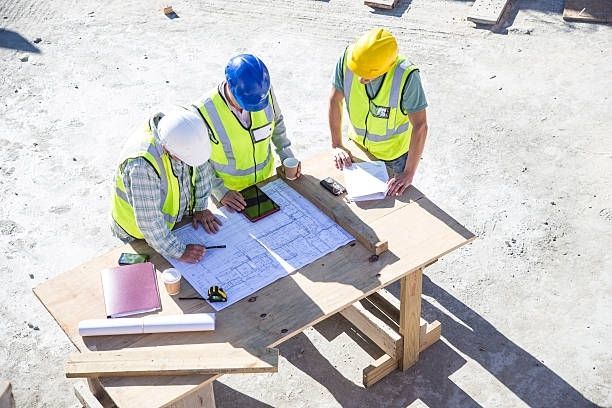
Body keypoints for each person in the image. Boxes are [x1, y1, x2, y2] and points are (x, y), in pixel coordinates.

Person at [110, 109, 222, 263]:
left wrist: (200, 208)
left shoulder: (188, 131)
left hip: (171, 225)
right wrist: (179, 251)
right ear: (167, 149)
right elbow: (149, 222)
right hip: (137, 235)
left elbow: (202, 169)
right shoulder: (142, 165)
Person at [328, 28, 429, 196]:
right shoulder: (348, 58)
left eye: (367, 76)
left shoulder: (407, 77)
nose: (360, 79)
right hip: (358, 147)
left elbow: (421, 126)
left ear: (386, 68)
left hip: (394, 158)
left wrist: (408, 173)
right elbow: (334, 100)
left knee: (394, 207)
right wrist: (337, 144)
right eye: (358, 72)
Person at [192, 54, 299, 212]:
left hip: (266, 183)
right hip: (231, 197)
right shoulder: (202, 112)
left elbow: (277, 123)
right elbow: (198, 162)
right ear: (230, 86)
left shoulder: (262, 93)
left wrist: (287, 156)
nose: (252, 108)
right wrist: (220, 191)